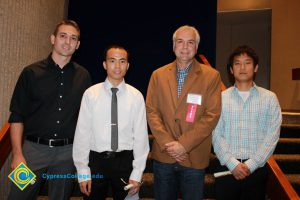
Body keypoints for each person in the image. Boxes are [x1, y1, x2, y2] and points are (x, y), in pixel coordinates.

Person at [8, 20, 92, 200]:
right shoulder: (30, 73)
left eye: (73, 38)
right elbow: (16, 116)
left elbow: (87, 119)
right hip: (32, 151)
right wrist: (17, 154)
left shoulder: (84, 76)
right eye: (63, 36)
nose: (67, 42)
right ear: (53, 39)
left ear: (77, 45)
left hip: (67, 154)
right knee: (17, 196)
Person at [146, 25, 222, 200]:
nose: (185, 47)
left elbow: (212, 115)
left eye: (190, 42)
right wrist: (168, 143)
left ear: (196, 47)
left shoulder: (211, 76)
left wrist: (183, 145)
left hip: (194, 155)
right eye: (180, 42)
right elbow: (151, 111)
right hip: (164, 155)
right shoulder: (158, 75)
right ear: (173, 46)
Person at [73, 44, 149, 200]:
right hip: (96, 161)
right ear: (104, 64)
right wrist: (82, 171)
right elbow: (82, 134)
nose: (117, 66)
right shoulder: (91, 94)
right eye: (112, 60)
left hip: (125, 162)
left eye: (122, 61)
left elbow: (141, 137)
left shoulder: (136, 96)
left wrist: (137, 172)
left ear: (127, 66)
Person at [212, 45, 282, 200]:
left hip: (257, 170)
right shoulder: (220, 98)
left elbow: (272, 135)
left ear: (255, 67)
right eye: (237, 63)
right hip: (226, 168)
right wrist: (233, 164)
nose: (242, 67)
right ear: (231, 70)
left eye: (247, 62)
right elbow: (216, 134)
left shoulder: (269, 98)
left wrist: (251, 165)